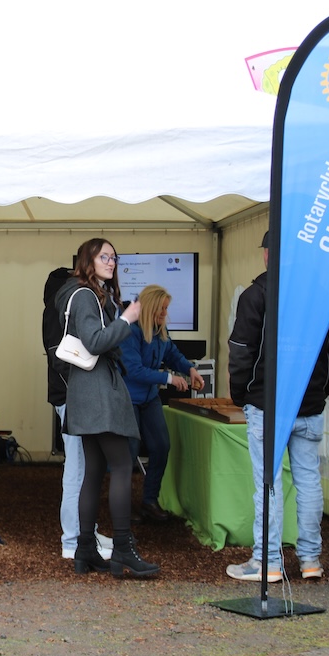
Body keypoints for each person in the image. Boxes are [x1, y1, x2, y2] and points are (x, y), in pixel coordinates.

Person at [226, 231, 329, 582]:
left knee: (268, 484)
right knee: (308, 481)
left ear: (267, 255)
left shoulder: (256, 295)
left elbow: (241, 351)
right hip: (309, 406)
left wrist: (242, 394)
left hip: (265, 405)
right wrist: (321, 390)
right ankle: (310, 561)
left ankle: (267, 563)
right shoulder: (323, 295)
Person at [56, 238, 158, 578]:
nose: (111, 262)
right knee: (122, 465)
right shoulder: (85, 295)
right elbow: (95, 341)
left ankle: (85, 548)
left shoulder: (86, 294)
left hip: (87, 392)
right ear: (88, 260)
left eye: (114, 257)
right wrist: (126, 319)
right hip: (98, 392)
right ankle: (123, 549)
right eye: (104, 257)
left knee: (95, 470)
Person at [43, 267, 114, 563]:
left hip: (70, 397)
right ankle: (73, 540)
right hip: (73, 399)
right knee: (78, 471)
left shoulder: (57, 307)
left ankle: (86, 533)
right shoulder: (60, 310)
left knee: (83, 470)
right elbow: (60, 358)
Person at [119, 284, 205, 523]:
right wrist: (168, 378)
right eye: (162, 309)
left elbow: (171, 353)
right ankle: (122, 508)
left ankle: (149, 501)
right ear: (150, 308)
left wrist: (190, 369)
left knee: (161, 446)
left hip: (149, 398)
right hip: (128, 400)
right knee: (129, 453)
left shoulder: (159, 329)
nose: (165, 314)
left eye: (166, 309)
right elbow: (133, 370)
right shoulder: (130, 331)